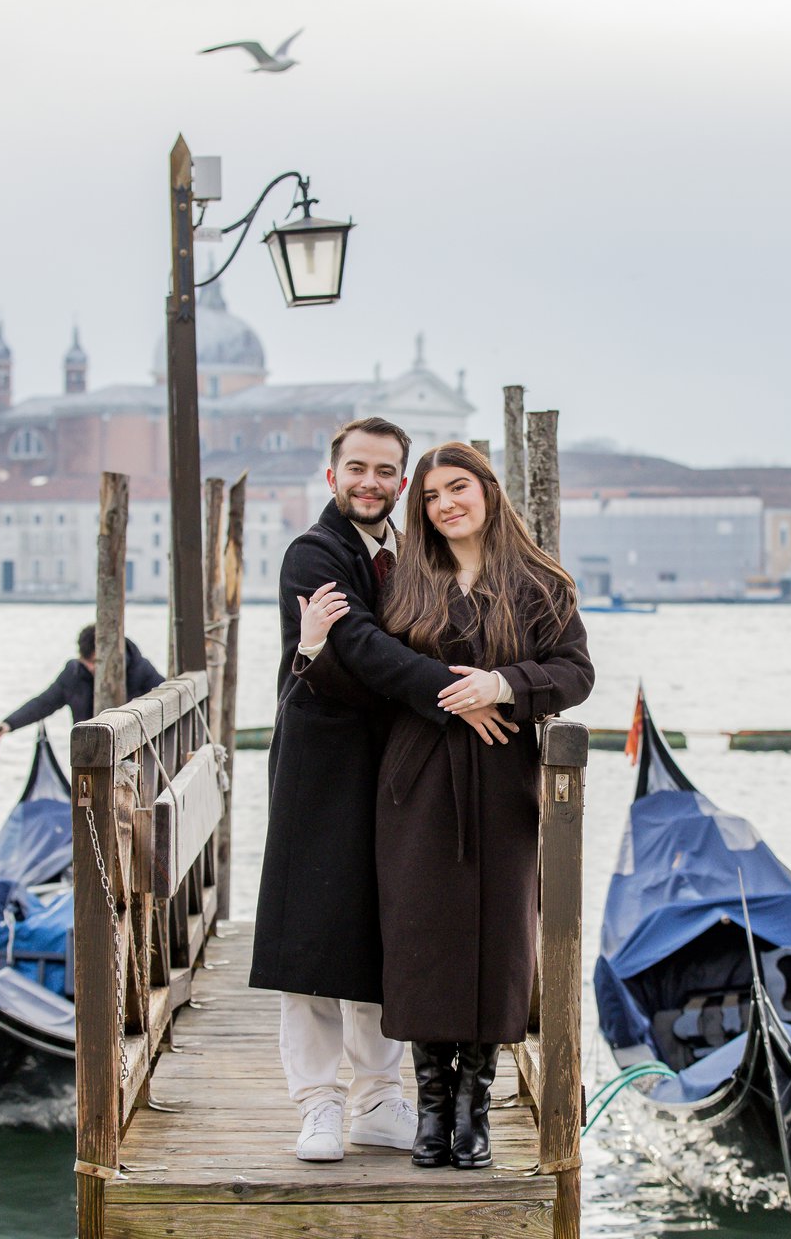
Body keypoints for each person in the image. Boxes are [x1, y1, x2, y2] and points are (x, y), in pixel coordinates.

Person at [295, 440, 593, 1170]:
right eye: (430, 496)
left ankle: (475, 1106)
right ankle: (431, 1106)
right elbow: (370, 679)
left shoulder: (541, 583)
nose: (445, 504)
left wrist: (503, 687)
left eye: (457, 488)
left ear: (488, 492)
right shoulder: (405, 583)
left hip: (504, 782)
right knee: (422, 938)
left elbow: (576, 671)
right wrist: (312, 651)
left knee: (500, 942)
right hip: (416, 783)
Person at [253, 417, 520, 1165]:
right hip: (321, 768)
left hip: (389, 766)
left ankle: (378, 1099)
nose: (370, 482)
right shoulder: (315, 553)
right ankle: (317, 1107)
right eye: (356, 468)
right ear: (331, 474)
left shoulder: (402, 555)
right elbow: (363, 648)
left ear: (401, 484)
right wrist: (464, 694)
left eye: (385, 472)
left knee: (383, 934)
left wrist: (506, 681)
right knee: (309, 943)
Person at [0, 624, 165, 738]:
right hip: (88, 751)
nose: (91, 668)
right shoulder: (74, 673)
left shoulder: (140, 669)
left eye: (95, 662)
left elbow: (164, 699)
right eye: (87, 662)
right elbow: (44, 702)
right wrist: (10, 723)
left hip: (134, 748)